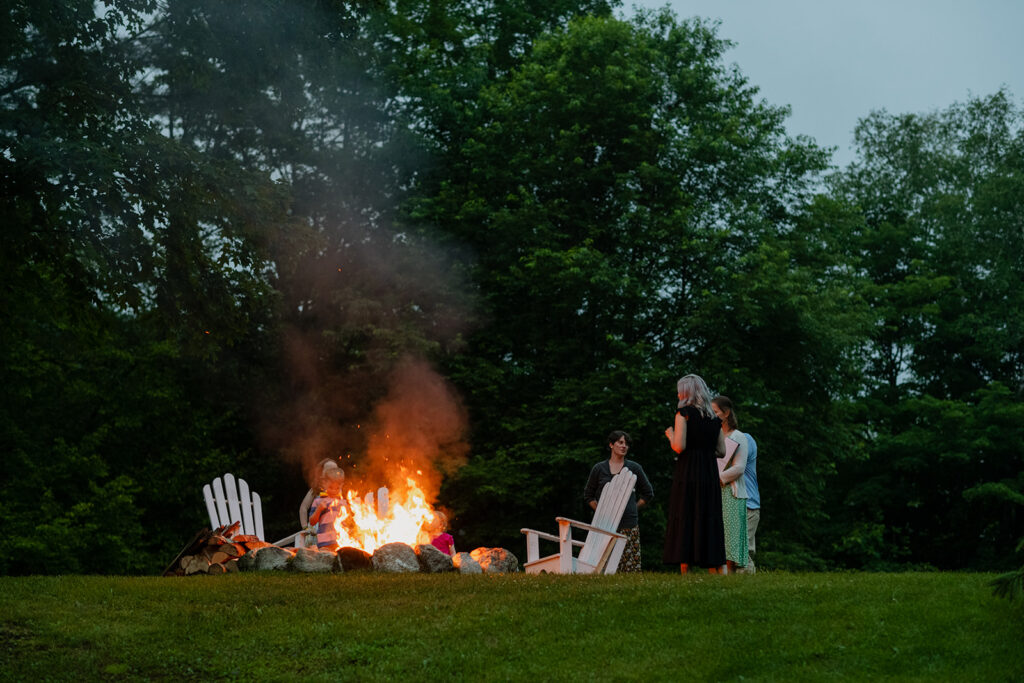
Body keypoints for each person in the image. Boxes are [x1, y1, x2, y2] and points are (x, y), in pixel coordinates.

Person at [663, 374, 727, 573]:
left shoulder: (684, 413)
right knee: (708, 514)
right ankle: (713, 563)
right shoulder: (714, 419)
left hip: (689, 470)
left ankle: (686, 568)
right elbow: (722, 451)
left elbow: (679, 446)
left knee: (686, 512)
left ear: (686, 393)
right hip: (708, 472)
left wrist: (670, 434)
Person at [584, 430, 655, 573]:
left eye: (627, 444)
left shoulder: (634, 468)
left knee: (630, 568)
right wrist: (601, 511)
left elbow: (648, 493)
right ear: (611, 444)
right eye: (620, 442)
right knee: (605, 566)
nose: (624, 446)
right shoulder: (599, 469)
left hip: (629, 524)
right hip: (605, 525)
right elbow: (588, 495)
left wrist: (633, 508)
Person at [711, 395, 749, 574]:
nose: (712, 415)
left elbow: (739, 468)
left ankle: (729, 577)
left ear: (726, 414)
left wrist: (716, 478)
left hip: (730, 492)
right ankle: (714, 577)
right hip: (712, 492)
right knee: (713, 536)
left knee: (730, 539)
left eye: (715, 412)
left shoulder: (738, 436)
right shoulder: (711, 435)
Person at [300, 459, 347, 549]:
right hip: (319, 530)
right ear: (322, 473)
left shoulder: (338, 490)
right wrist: (305, 527)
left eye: (335, 469)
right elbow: (303, 507)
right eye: (329, 469)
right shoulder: (316, 490)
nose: (333, 472)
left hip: (336, 532)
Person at [739, 430, 760, 573]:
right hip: (729, 504)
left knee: (742, 553)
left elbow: (730, 464)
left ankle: (748, 585)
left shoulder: (745, 439)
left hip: (748, 505)